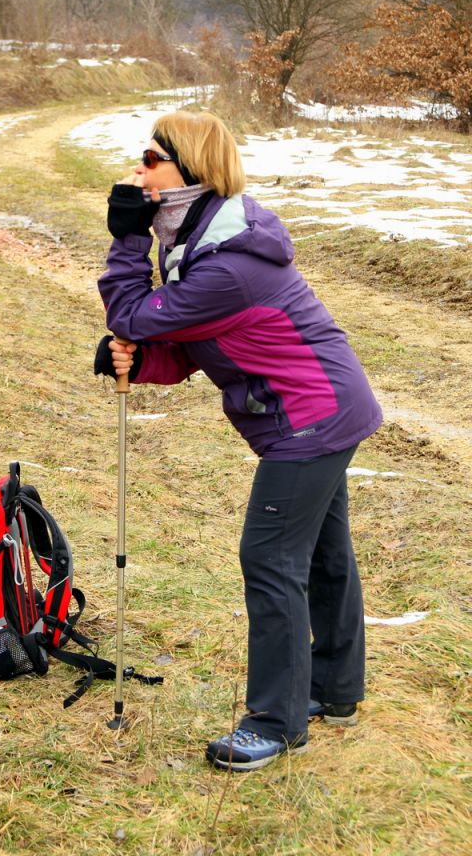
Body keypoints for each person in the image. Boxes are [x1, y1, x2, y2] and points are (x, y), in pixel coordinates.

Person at [94, 111, 382, 772]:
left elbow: (133, 314)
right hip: (325, 408)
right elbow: (196, 344)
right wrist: (143, 362)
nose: (136, 171)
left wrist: (124, 243)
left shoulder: (225, 263)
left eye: (149, 159)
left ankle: (275, 721)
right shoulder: (200, 240)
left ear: (189, 171)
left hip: (311, 418)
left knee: (271, 556)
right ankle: (334, 693)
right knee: (322, 555)